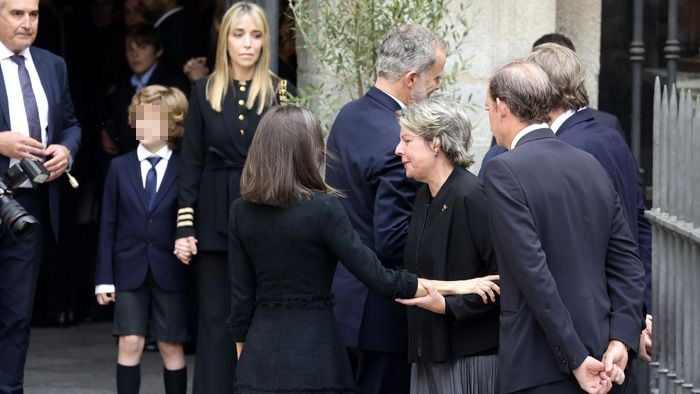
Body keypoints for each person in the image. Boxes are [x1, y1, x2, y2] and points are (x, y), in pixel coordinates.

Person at [225, 104, 421, 392]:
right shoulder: (323, 208)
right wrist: (449, 287)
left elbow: (241, 298)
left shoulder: (241, 211)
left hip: (260, 354)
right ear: (310, 150)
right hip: (318, 358)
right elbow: (379, 277)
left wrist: (245, 361)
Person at [483, 60, 645, 393]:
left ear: (502, 108)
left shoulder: (503, 170)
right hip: (604, 357)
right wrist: (621, 340)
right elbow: (628, 264)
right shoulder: (590, 164)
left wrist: (574, 357)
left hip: (541, 365)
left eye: (487, 108)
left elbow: (533, 274)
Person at [173, 2, 292, 393]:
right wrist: (184, 226)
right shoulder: (203, 90)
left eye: (255, 35)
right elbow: (189, 163)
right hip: (212, 216)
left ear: (265, 41)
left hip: (263, 214)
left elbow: (288, 159)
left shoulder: (279, 91)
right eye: (239, 34)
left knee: (261, 316)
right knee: (214, 319)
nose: (247, 44)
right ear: (225, 39)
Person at [325, 24, 446, 394]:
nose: (438, 87)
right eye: (436, 78)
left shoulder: (348, 114)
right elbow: (392, 239)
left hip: (342, 299)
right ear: (412, 79)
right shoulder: (399, 141)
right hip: (380, 312)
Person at [393, 96, 499, 393]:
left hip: (469, 357)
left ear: (436, 143)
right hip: (427, 354)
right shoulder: (424, 196)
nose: (398, 150)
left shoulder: (472, 196)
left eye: (407, 140)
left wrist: (449, 306)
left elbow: (505, 280)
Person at [0, 0, 81, 391]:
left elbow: (70, 124)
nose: (27, 23)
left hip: (29, 206)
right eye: (17, 14)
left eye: (33, 14)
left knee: (17, 314)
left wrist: (67, 150)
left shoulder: (53, 64)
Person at [95, 85, 189, 394]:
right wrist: (104, 280)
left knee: (169, 343)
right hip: (128, 267)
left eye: (157, 120)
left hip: (170, 268)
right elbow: (107, 225)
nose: (147, 126)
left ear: (173, 125)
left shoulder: (184, 167)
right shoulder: (119, 168)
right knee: (130, 341)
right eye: (142, 118)